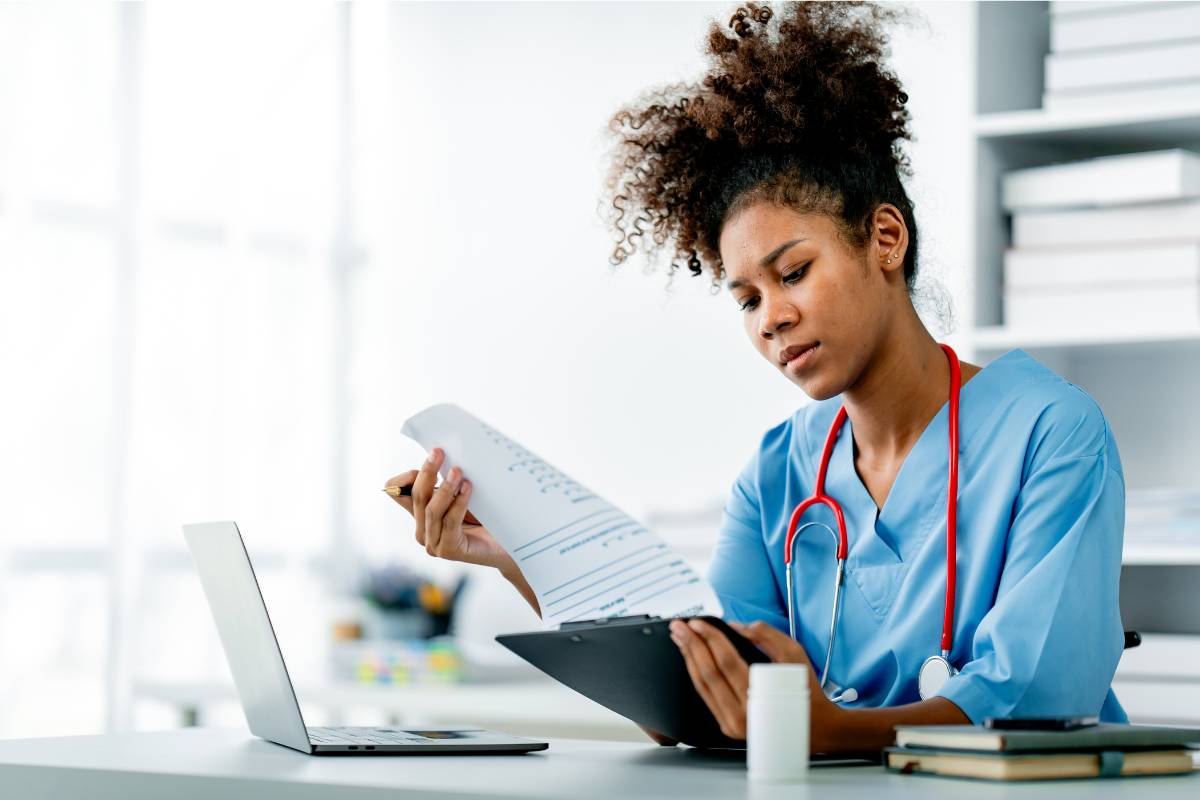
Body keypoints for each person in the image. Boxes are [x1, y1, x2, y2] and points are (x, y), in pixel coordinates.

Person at [384, 1, 1128, 754]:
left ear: (885, 237)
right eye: (746, 299)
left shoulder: (1052, 433)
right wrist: (517, 553)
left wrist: (831, 730)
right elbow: (697, 697)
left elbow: (1042, 699)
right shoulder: (778, 472)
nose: (771, 317)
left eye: (794, 273)